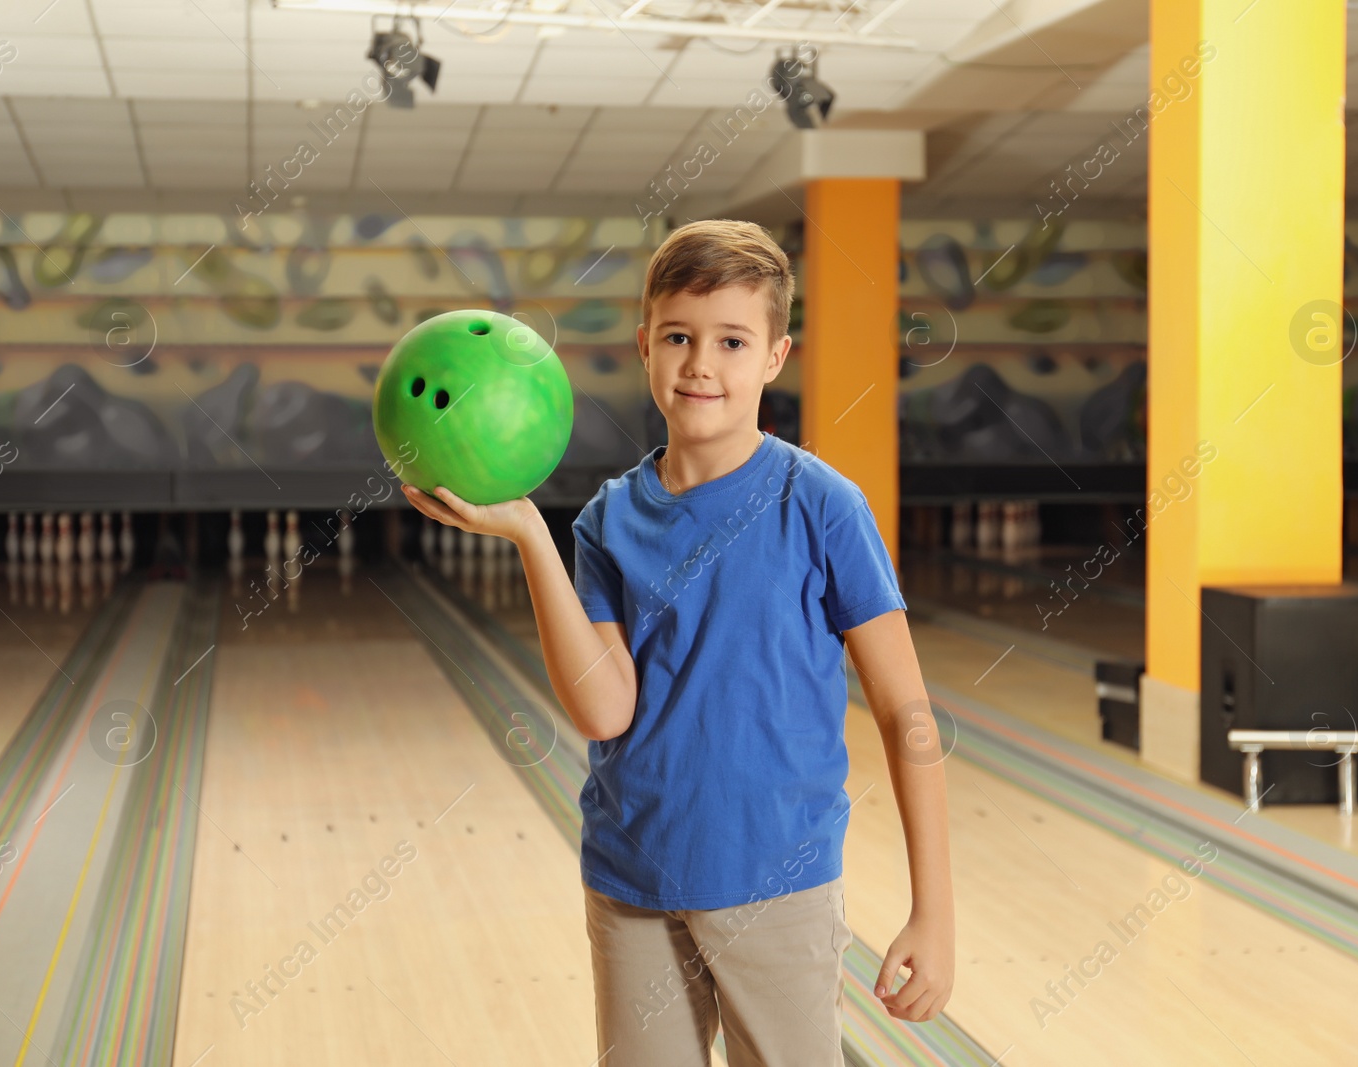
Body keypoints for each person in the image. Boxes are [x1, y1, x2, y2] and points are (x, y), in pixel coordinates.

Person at [403, 218, 954, 1066]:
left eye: (732, 340)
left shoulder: (821, 506)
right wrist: (530, 537)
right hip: (633, 885)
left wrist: (935, 907)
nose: (701, 363)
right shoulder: (604, 523)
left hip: (781, 886)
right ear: (645, 346)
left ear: (775, 354)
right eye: (678, 337)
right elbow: (603, 705)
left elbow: (904, 709)